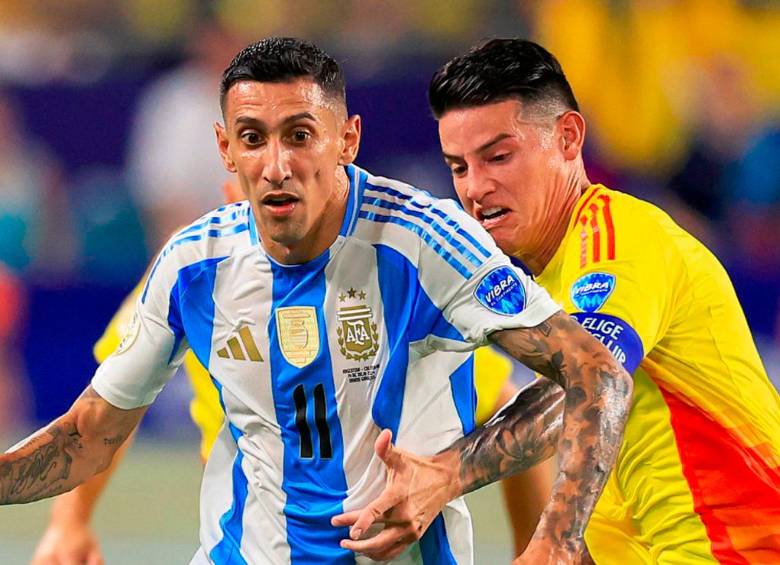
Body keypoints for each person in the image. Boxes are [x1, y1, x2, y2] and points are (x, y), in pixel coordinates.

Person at [0, 37, 631, 564]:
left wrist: (536, 529)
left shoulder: (427, 243)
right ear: (226, 149)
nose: (276, 165)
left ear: (347, 140)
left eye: (300, 135)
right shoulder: (193, 264)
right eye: (252, 138)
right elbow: (89, 435)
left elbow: (595, 373)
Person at [334, 38, 780, 564]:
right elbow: (606, 451)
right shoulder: (544, 287)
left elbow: (591, 381)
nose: (476, 188)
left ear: (568, 138)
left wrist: (449, 476)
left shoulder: (617, 243)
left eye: (498, 156)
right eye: (458, 167)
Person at [31, 181, 544, 563]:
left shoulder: (389, 283)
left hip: (377, 544)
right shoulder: (192, 269)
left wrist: (531, 545)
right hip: (250, 533)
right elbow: (114, 407)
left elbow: (502, 400)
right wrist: (69, 520)